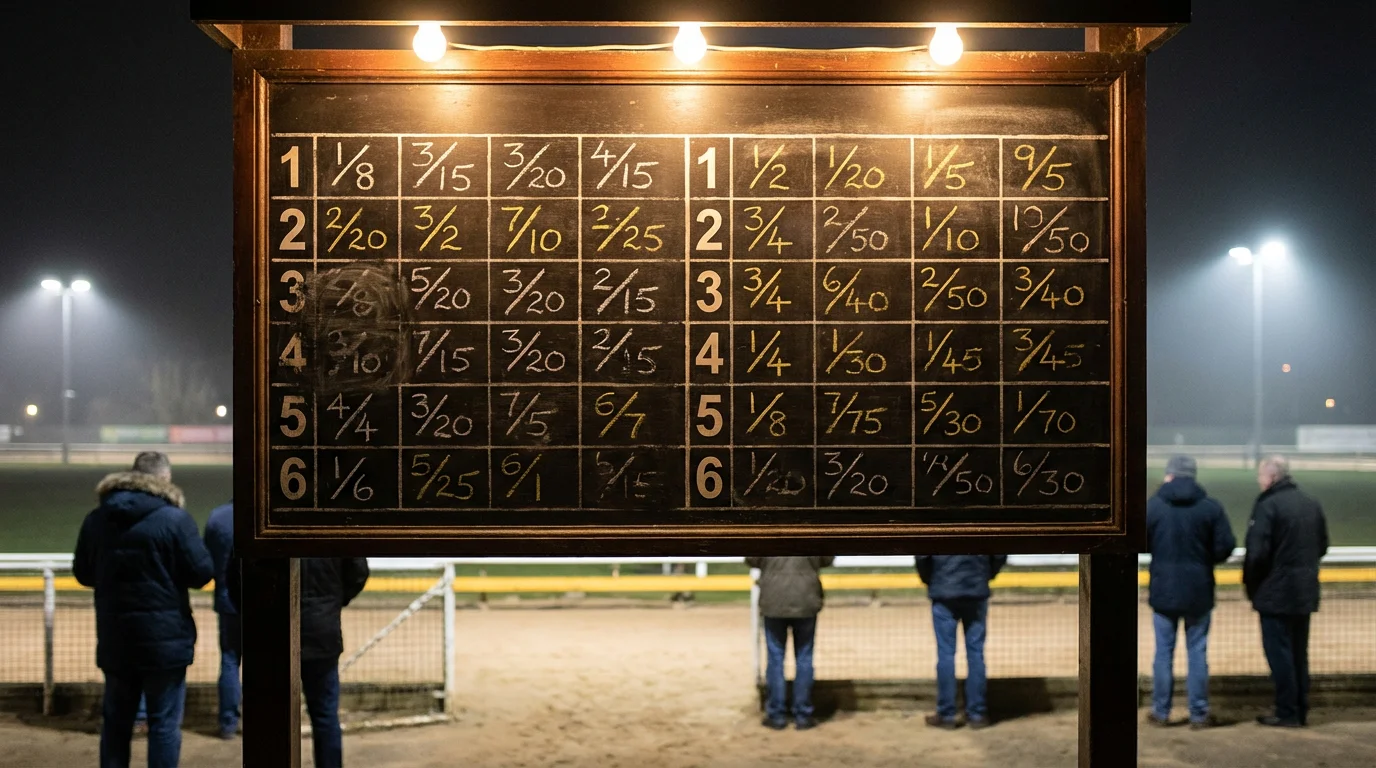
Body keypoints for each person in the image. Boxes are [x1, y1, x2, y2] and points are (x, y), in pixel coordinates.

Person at [73, 451, 214, 768]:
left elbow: (83, 573)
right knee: (164, 725)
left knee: (116, 725)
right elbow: (201, 573)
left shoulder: (97, 518)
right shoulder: (175, 520)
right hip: (165, 641)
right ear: (164, 479)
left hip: (116, 637)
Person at [1144, 455, 1235, 728]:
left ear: (1169, 475)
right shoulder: (1210, 508)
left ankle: (1161, 711)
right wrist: (1204, 559)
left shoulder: (1153, 507)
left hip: (1164, 589)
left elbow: (1140, 542)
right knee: (1197, 652)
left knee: (1163, 653)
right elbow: (1225, 546)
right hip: (1199, 590)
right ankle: (1199, 713)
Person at [1244, 455, 1328, 728]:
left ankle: (1287, 711)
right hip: (1304, 591)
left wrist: (1252, 586)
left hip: (1275, 594)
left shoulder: (1268, 506)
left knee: (1279, 654)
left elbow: (1257, 554)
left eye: (1260, 476)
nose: (1259, 481)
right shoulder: (1311, 502)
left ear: (1270, 477)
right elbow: (1322, 545)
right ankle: (1299, 709)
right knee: (1299, 654)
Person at [916, 554, 1006, 729]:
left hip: (943, 590)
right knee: (976, 653)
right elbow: (999, 554)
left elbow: (922, 556)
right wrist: (985, 575)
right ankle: (977, 714)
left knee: (946, 654)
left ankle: (946, 714)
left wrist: (932, 579)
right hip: (976, 590)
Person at [745, 556, 833, 730]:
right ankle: (803, 714)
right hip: (806, 599)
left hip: (774, 600)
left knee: (775, 659)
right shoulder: (813, 537)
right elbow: (827, 559)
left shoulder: (764, 536)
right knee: (804, 658)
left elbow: (751, 559)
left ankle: (776, 714)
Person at [203, 500, 239, 739]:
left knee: (230, 659)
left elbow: (206, 560)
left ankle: (228, 723)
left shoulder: (218, 517)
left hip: (228, 601)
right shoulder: (271, 513)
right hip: (266, 602)